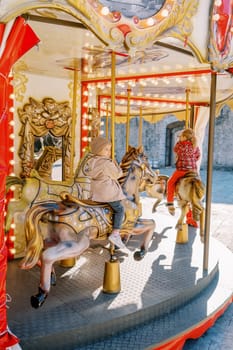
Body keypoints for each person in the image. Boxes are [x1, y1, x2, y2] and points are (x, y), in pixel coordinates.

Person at [87, 136, 126, 249]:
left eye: (109, 149)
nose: (109, 152)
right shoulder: (106, 163)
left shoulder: (92, 161)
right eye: (106, 149)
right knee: (120, 209)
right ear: (99, 149)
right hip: (107, 193)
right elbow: (118, 175)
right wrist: (116, 164)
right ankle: (115, 233)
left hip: (95, 192)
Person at [166, 128, 201, 215]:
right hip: (193, 171)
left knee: (170, 182)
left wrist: (179, 142)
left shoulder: (180, 145)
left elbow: (175, 150)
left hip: (182, 170)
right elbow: (197, 156)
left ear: (184, 137)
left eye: (180, 136)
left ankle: (170, 203)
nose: (179, 138)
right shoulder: (195, 146)